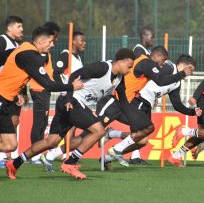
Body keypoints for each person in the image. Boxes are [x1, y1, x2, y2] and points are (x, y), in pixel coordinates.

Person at [5, 48, 135, 180]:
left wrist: (135, 121)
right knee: (99, 130)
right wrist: (68, 98)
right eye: (129, 66)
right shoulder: (102, 67)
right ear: (119, 62)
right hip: (72, 101)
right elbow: (74, 76)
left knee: (51, 142)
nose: (129, 70)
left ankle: (14, 163)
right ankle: (70, 163)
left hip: (72, 103)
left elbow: (123, 102)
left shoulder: (119, 79)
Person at [1, 26, 83, 178]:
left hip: (6, 102)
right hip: (1, 99)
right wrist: (72, 86)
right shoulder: (29, 55)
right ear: (40, 41)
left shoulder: (24, 49)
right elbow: (49, 84)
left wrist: (19, 92)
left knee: (10, 145)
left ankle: (12, 164)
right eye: (51, 42)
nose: (52, 45)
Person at [101, 55, 201, 169]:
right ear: (183, 65)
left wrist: (192, 112)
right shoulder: (168, 67)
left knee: (142, 141)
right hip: (138, 100)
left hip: (147, 106)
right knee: (141, 134)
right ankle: (113, 143)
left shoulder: (177, 82)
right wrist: (182, 73)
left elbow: (177, 105)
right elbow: (160, 80)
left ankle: (108, 156)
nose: (191, 73)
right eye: (191, 69)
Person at [39, 30, 86, 164]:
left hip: (75, 98)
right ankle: (54, 155)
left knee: (71, 130)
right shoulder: (66, 55)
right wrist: (65, 90)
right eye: (81, 40)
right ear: (73, 42)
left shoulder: (77, 58)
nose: (84, 43)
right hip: (67, 98)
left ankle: (56, 155)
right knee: (63, 134)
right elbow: (56, 73)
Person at [28, 22, 61, 164]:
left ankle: (37, 152)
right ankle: (34, 154)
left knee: (41, 123)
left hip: (43, 89)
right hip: (39, 89)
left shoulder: (46, 52)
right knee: (39, 122)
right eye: (54, 37)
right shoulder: (40, 53)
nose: (55, 41)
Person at [127, 25, 155, 164]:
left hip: (146, 95)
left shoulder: (146, 52)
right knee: (137, 126)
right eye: (151, 36)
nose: (153, 39)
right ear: (144, 36)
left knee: (144, 128)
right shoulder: (139, 51)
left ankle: (135, 154)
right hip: (137, 95)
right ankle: (133, 155)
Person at [0, 15, 25, 167]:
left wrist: (21, 92)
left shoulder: (16, 46)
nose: (22, 30)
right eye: (18, 26)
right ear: (9, 28)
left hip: (12, 92)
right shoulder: (2, 41)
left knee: (14, 121)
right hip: (2, 91)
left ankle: (5, 156)